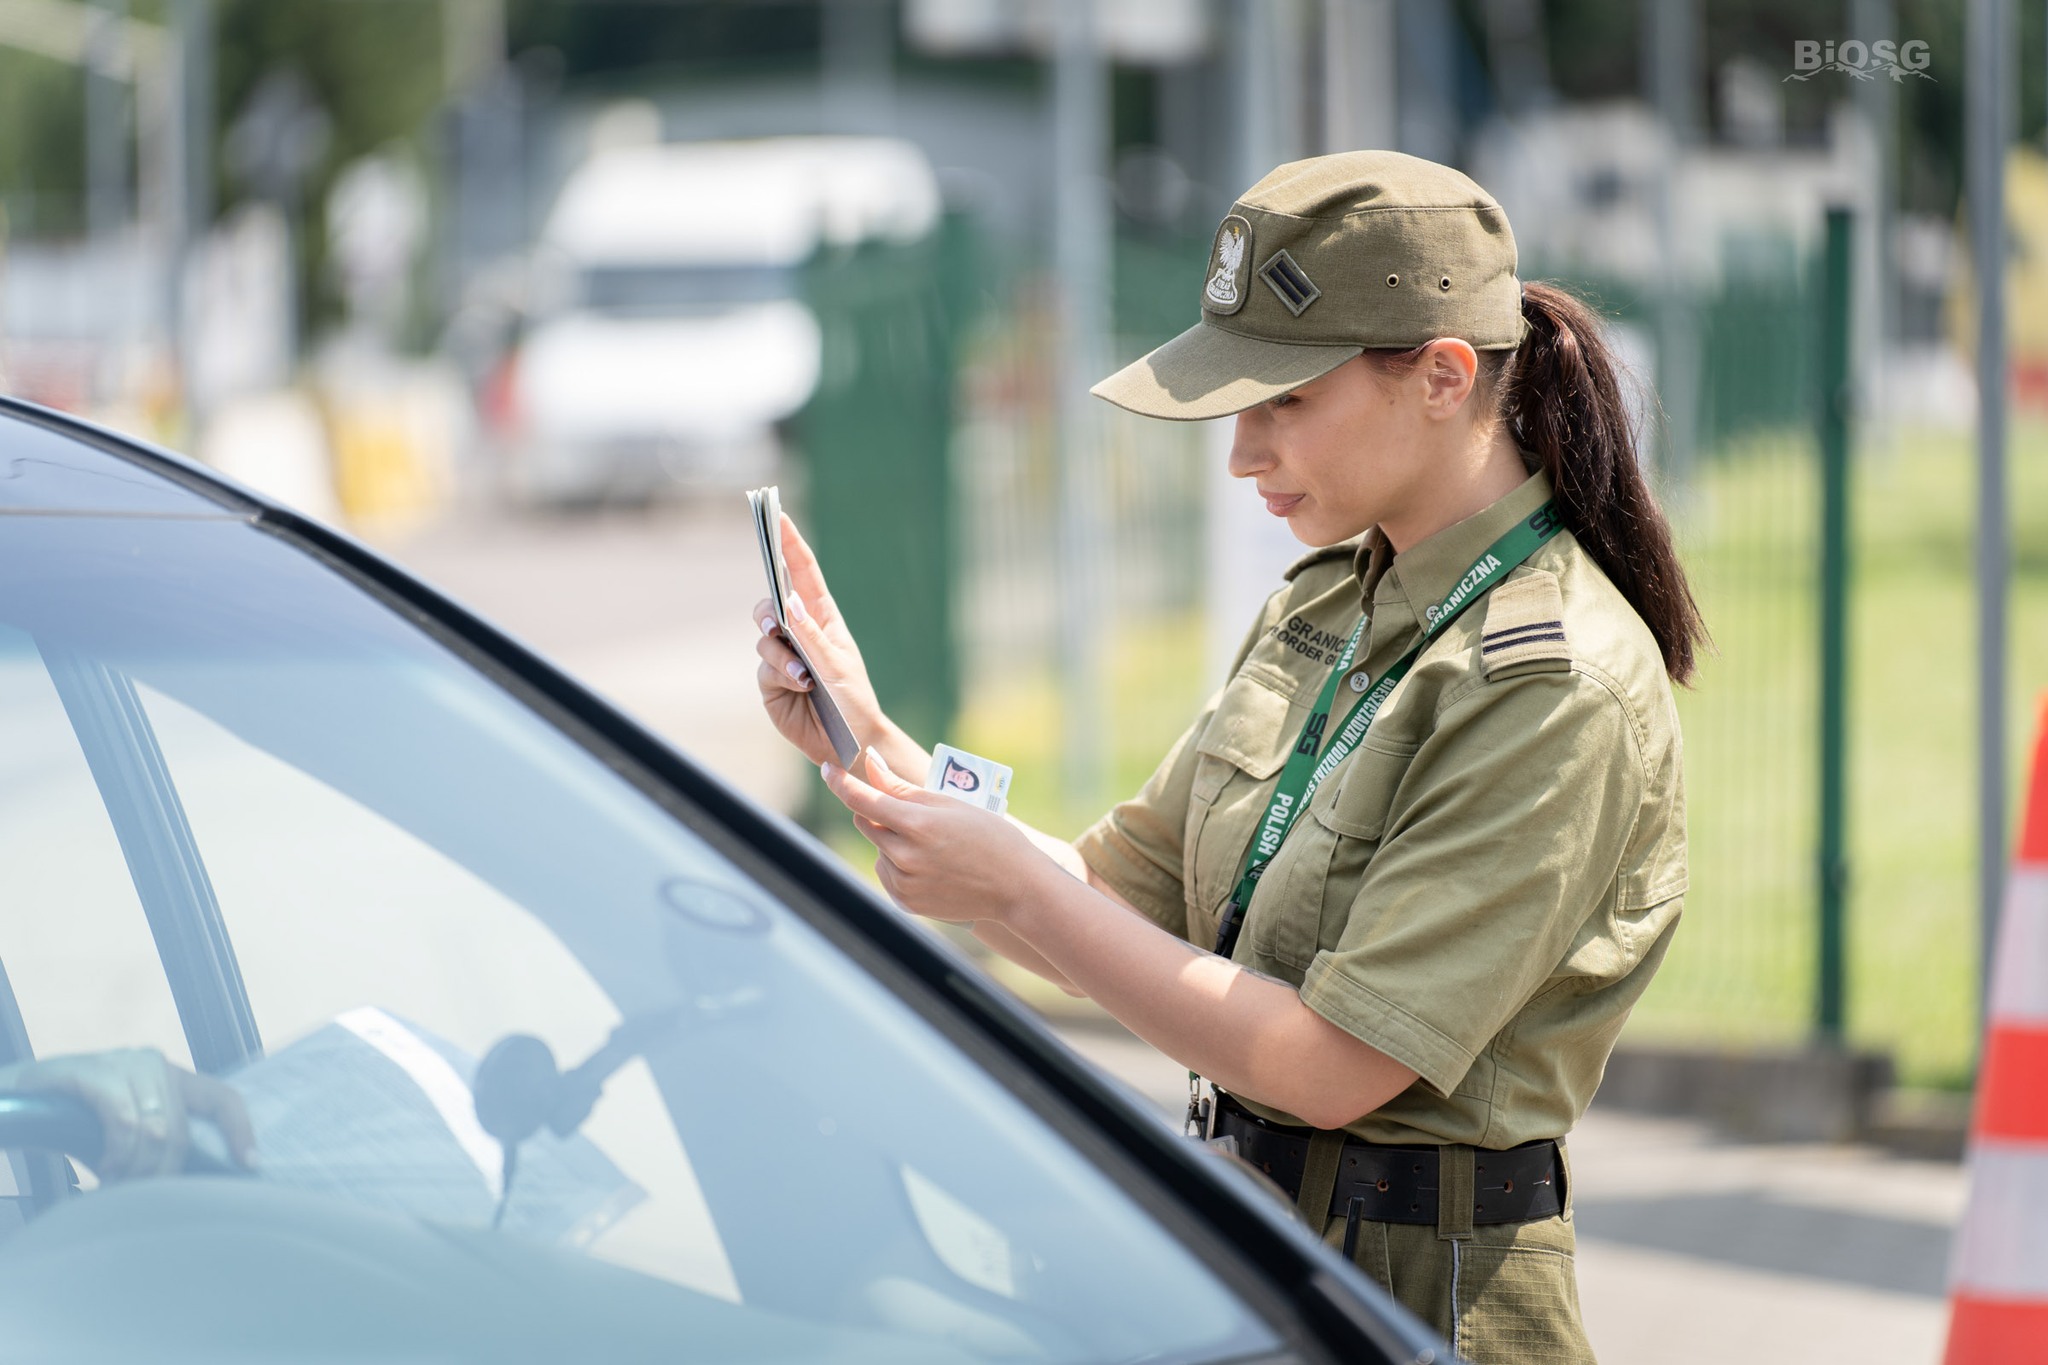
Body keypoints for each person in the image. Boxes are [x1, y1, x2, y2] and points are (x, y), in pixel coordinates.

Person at [752, 150, 1702, 1364]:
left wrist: (1013, 886)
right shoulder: (1328, 602)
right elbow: (1105, 895)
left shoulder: (1549, 680)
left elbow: (1326, 1069)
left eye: (1284, 402)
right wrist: (870, 742)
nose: (1243, 453)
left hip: (1426, 1303)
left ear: (1441, 376)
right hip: (1255, 1252)